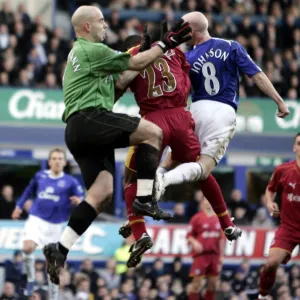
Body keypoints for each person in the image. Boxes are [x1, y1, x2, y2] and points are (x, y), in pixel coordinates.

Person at [43, 5, 192, 285]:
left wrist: (144, 51)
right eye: (101, 21)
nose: (105, 26)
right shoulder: (91, 50)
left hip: (78, 129)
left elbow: (119, 82)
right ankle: (145, 198)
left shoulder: (82, 57)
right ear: (86, 26)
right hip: (90, 119)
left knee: (100, 194)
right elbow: (133, 65)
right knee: (153, 133)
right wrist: (166, 43)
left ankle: (59, 249)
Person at [118, 26, 239, 268]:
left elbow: (121, 84)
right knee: (201, 170)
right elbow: (187, 76)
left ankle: (139, 230)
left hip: (152, 121)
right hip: (181, 118)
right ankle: (227, 223)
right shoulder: (172, 50)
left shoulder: (130, 57)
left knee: (131, 177)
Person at [153, 11, 290, 202]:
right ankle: (165, 181)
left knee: (176, 154)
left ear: (191, 31)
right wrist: (279, 101)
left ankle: (158, 174)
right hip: (222, 109)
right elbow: (257, 75)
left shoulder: (187, 58)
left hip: (196, 108)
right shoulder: (231, 46)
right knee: (204, 167)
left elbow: (175, 88)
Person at [11, 148, 84, 298]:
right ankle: (31, 279)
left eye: (60, 159)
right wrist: (19, 206)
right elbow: (28, 191)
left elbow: (81, 196)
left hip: (55, 225)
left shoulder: (70, 181)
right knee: (27, 247)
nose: (57, 161)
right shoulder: (40, 176)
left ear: (64, 162)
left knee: (51, 265)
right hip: (36, 219)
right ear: (49, 161)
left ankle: (53, 294)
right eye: (54, 158)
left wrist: (79, 201)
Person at [258, 133, 300, 299]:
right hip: (288, 228)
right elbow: (270, 189)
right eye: (299, 143)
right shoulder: (283, 170)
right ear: (294, 147)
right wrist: (269, 203)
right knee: (271, 264)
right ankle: (262, 296)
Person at [187, 198, 225, 300]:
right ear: (202, 204)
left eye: (210, 201)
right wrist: (195, 242)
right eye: (206, 201)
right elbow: (189, 235)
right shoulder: (196, 218)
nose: (208, 204)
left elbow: (222, 239)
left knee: (213, 285)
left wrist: (222, 255)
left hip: (214, 255)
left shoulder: (219, 218)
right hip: (201, 255)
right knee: (197, 284)